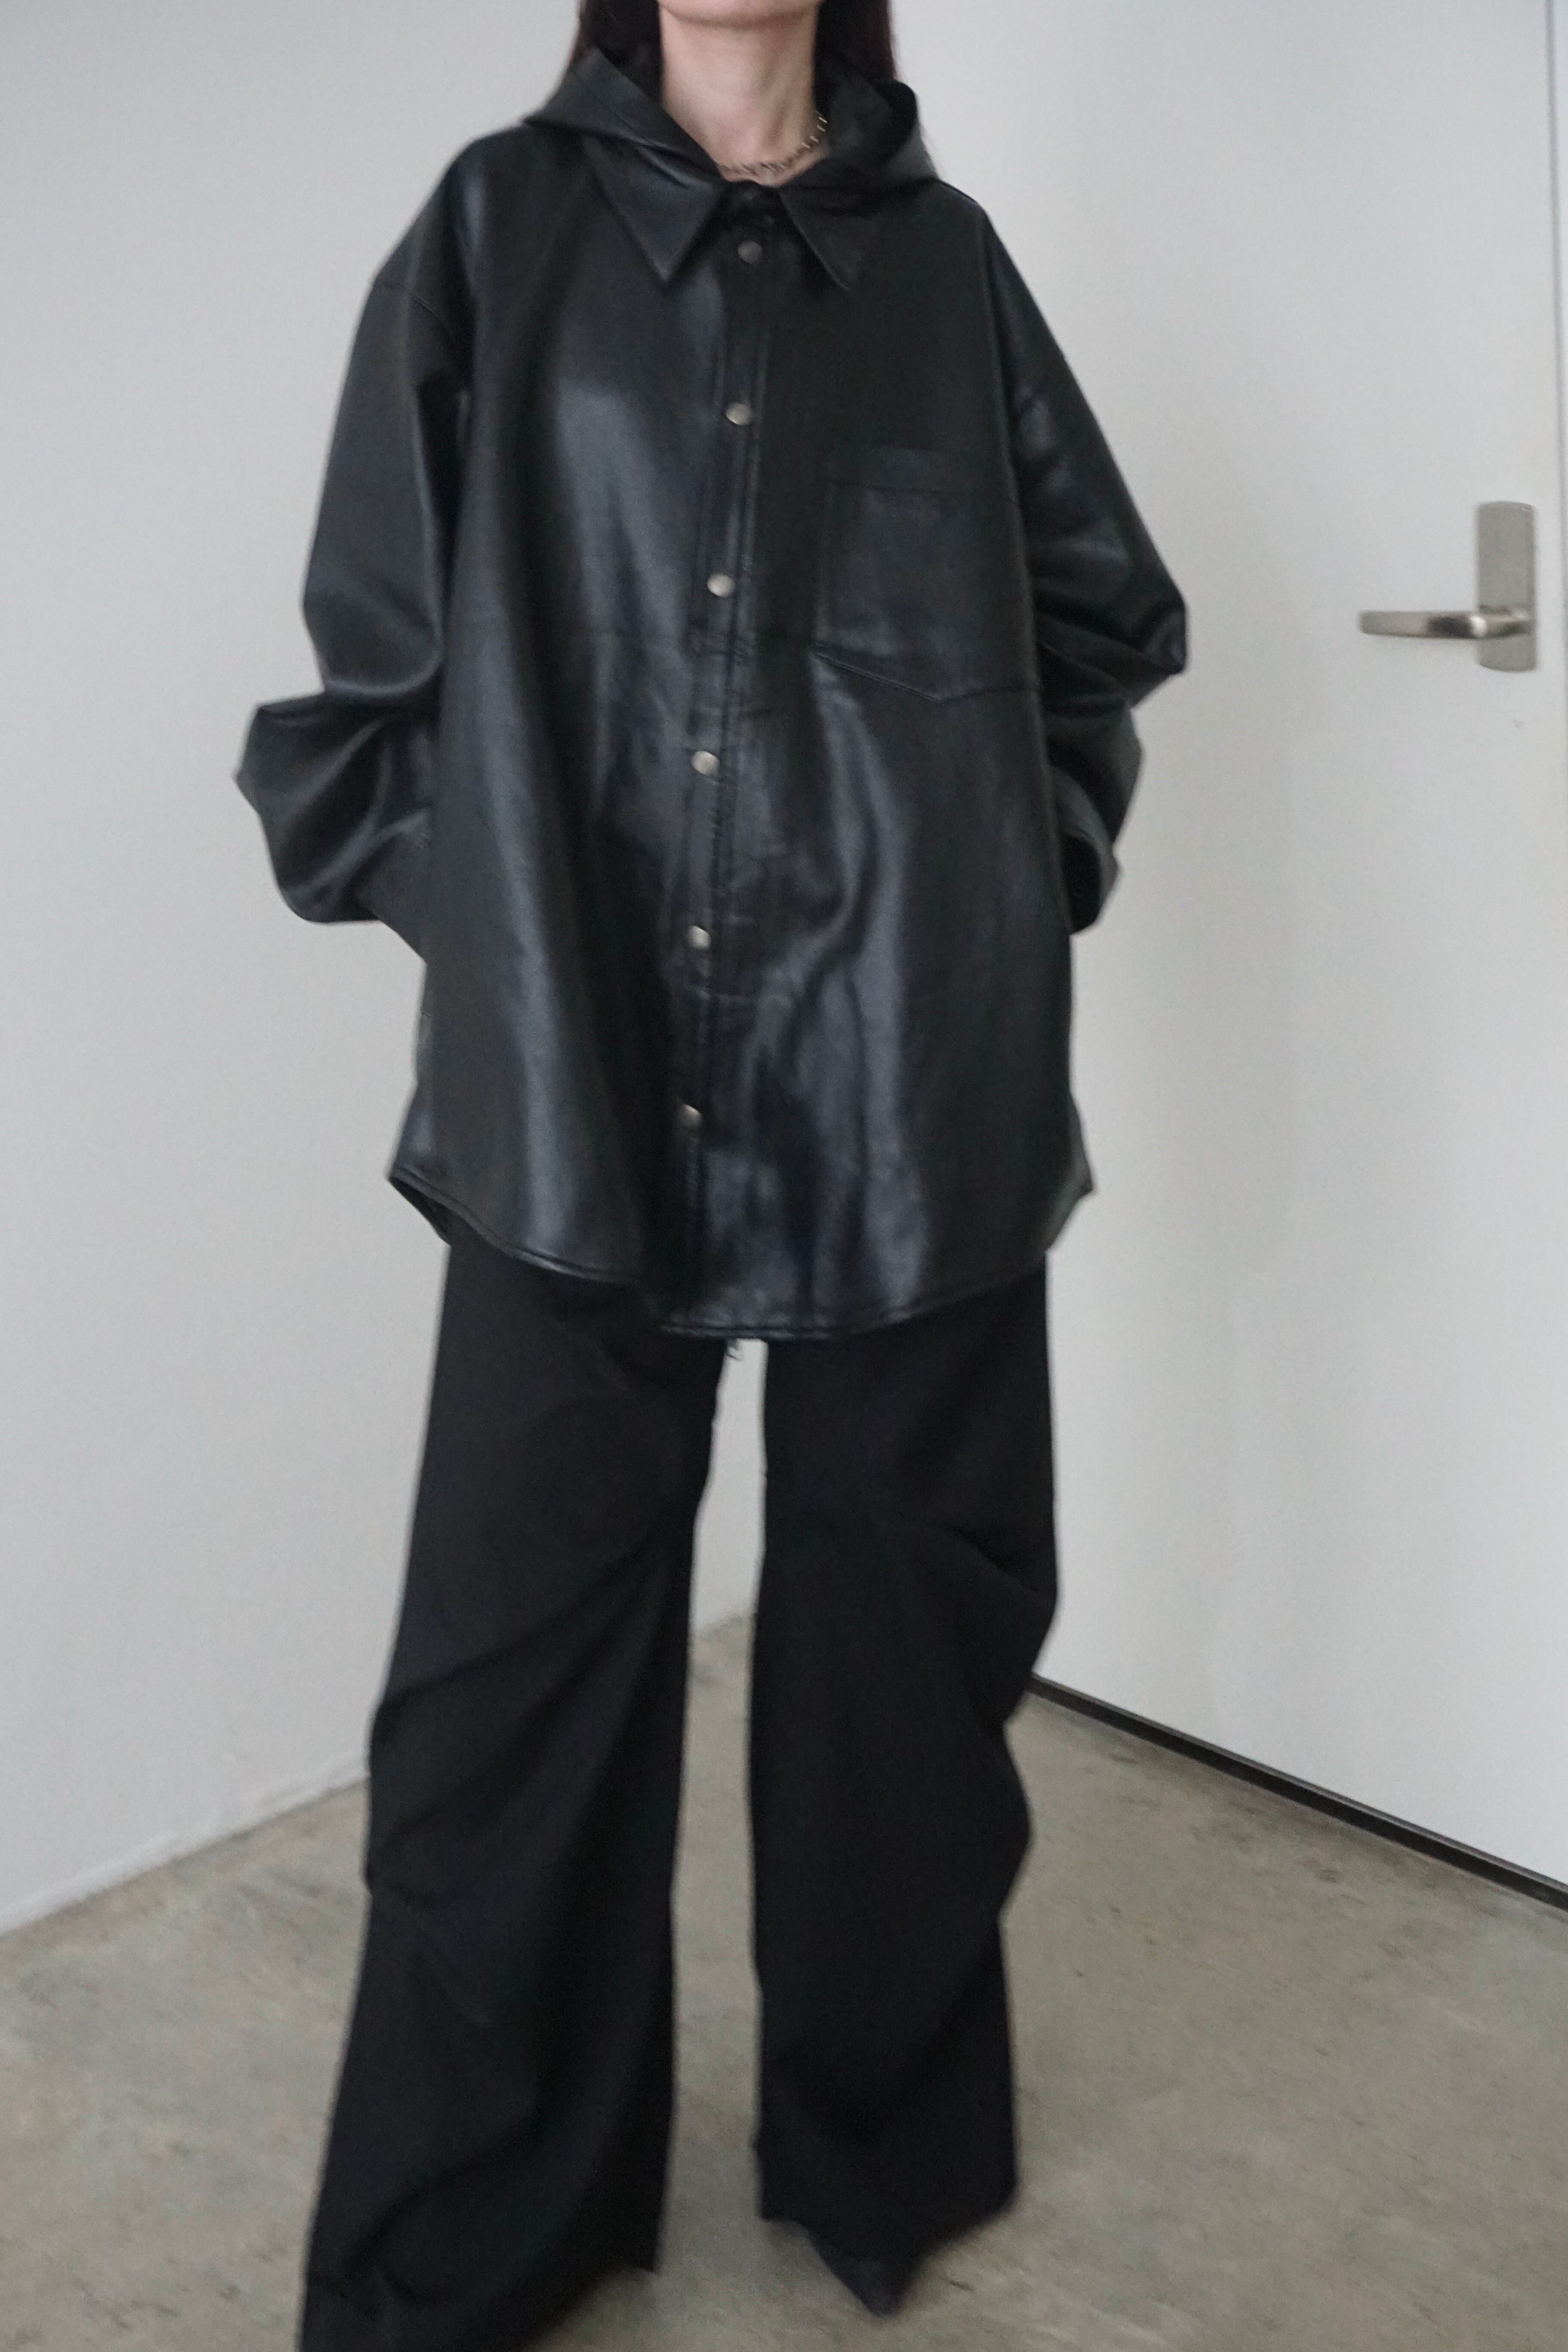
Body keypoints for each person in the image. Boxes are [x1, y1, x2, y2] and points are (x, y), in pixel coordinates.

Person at [235, 1, 1186, 2344]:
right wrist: (508, 935)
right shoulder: (498, 227)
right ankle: (491, 2224)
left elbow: (1104, 621)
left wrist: (1007, 880)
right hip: (574, 1104)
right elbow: (373, 672)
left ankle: (883, 2149)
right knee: (505, 1708)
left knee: (906, 1668)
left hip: (910, 1097)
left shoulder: (947, 271)